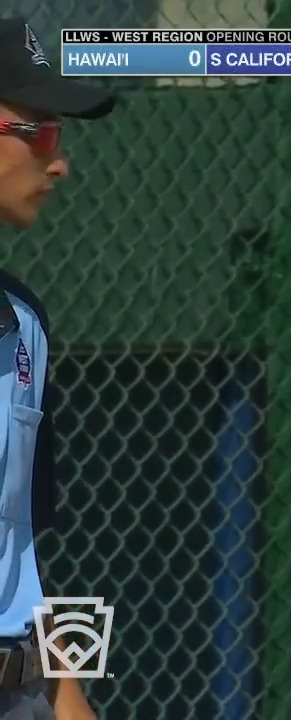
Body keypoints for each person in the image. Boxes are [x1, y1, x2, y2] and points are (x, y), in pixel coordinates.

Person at [0, 16, 116, 720]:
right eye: (39, 132)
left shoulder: (29, 325)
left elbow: (26, 551)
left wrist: (69, 699)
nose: (60, 160)